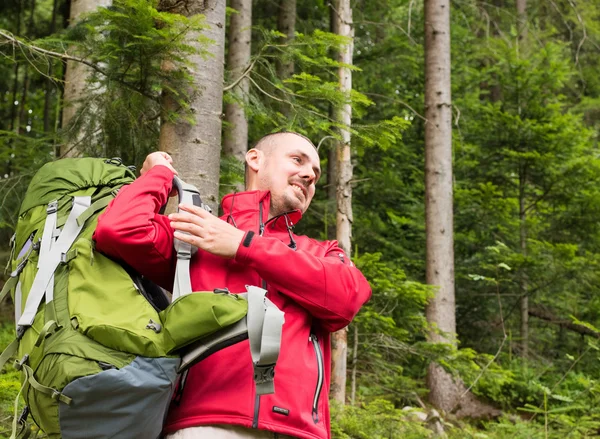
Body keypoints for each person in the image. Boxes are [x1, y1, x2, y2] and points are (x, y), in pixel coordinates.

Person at [93, 132, 372, 439]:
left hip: (300, 430)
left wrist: (243, 244)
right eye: (298, 160)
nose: (309, 175)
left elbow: (346, 297)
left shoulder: (322, 252)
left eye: (316, 174)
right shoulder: (199, 233)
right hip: (204, 424)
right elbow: (117, 230)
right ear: (255, 159)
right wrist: (158, 175)